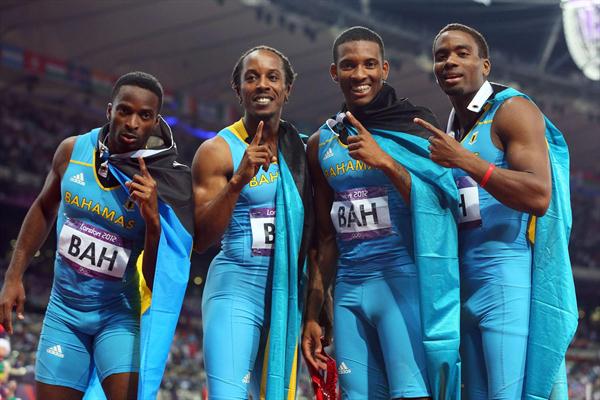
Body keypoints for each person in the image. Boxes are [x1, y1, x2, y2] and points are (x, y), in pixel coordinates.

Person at [0, 71, 194, 400]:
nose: (132, 122)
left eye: (144, 115)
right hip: (64, 312)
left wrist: (153, 223)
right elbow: (44, 208)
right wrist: (14, 275)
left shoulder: (161, 183)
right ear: (109, 111)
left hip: (117, 317)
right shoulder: (72, 151)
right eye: (124, 110)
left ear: (155, 122)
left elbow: (153, 278)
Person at [415, 23, 578, 399]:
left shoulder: (512, 110)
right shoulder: (453, 132)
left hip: (506, 282)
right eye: (441, 56)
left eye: (461, 53)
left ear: (485, 65)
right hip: (465, 287)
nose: (450, 61)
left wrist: (466, 161)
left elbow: (539, 194)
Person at [301, 26, 461, 400]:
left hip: (402, 284)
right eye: (349, 65)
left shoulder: (416, 127)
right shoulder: (320, 143)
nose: (360, 74)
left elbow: (439, 209)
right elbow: (326, 237)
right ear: (334, 72)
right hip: (349, 293)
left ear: (385, 68)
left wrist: (386, 162)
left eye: (370, 64)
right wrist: (313, 311)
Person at [192, 46, 312, 399]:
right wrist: (237, 181)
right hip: (235, 292)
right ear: (238, 88)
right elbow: (200, 237)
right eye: (252, 77)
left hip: (287, 297)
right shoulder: (217, 150)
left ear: (287, 88)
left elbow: (318, 236)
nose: (263, 85)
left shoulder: (304, 153)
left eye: (273, 77)